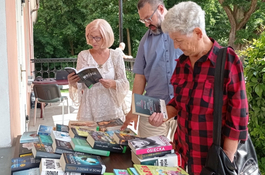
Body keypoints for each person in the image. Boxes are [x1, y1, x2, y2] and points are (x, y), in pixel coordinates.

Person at [148, 1, 249, 174]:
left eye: (179, 40)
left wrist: (225, 162)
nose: (176, 46)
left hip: (212, 160)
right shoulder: (182, 63)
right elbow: (179, 103)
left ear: (198, 33)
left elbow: (238, 118)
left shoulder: (227, 61)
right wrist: (163, 114)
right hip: (182, 156)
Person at [121, 0, 183, 140]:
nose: (147, 24)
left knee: (181, 159)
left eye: (149, 18)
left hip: (184, 109)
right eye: (143, 20)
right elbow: (139, 77)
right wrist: (133, 109)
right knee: (150, 159)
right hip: (152, 110)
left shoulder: (184, 33)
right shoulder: (145, 41)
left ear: (161, 9)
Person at [68, 19, 129, 122]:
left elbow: (124, 83)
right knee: (88, 136)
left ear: (106, 37)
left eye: (97, 38)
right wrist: (73, 82)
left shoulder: (116, 56)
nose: (93, 41)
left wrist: (113, 83)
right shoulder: (83, 55)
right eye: (90, 37)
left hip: (112, 107)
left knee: (113, 136)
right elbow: (81, 85)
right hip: (89, 108)